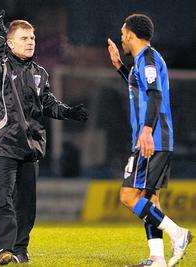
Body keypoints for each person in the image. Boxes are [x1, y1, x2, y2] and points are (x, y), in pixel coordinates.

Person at [0, 10, 88, 265]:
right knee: (2, 199)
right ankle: (3, 249)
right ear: (10, 42)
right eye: (24, 38)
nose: (30, 42)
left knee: (26, 204)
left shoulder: (40, 72)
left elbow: (48, 103)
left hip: (30, 147)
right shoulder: (1, 68)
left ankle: (20, 249)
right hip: (2, 145)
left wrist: (68, 112)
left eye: (32, 38)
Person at [107, 14, 192, 267]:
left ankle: (178, 234)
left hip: (151, 139)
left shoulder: (149, 58)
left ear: (131, 34)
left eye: (123, 32)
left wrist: (145, 130)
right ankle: (157, 259)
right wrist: (121, 67)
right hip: (155, 139)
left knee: (128, 197)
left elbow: (154, 95)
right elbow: (143, 88)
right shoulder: (141, 62)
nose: (121, 36)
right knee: (148, 199)